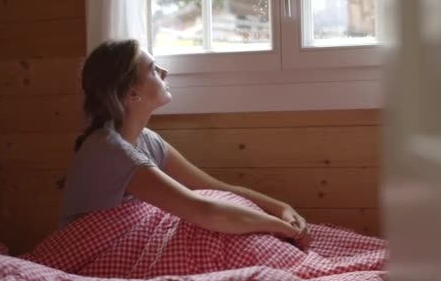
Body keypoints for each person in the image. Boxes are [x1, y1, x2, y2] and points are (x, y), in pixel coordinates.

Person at [60, 39, 311, 250]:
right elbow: (204, 211)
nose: (164, 72)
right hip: (94, 258)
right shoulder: (111, 152)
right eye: (153, 69)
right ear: (132, 93)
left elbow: (217, 189)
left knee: (217, 205)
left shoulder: (147, 141)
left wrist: (280, 208)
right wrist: (280, 228)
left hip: (127, 247)